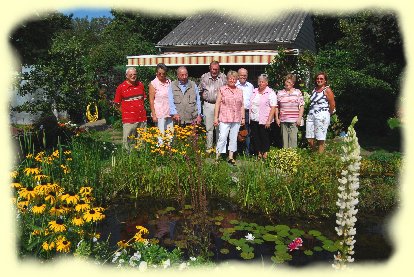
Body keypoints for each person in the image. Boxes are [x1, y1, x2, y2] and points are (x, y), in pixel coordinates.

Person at [214, 70, 245, 165]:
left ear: (236, 80)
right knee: (222, 137)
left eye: (234, 78)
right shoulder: (222, 89)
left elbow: (242, 105)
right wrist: (215, 117)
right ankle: (218, 157)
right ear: (227, 79)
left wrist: (243, 118)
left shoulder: (240, 91)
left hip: (236, 118)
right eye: (230, 78)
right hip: (224, 117)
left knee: (233, 138)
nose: (232, 80)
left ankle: (231, 157)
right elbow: (218, 103)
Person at [114, 67, 147, 151]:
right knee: (128, 143)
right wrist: (126, 113)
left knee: (141, 142)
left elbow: (143, 100)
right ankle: (127, 160)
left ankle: (141, 158)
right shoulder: (121, 87)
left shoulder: (140, 85)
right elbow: (117, 104)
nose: (133, 76)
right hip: (129, 120)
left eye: (135, 74)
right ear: (126, 76)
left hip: (142, 118)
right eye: (131, 75)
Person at [199, 61, 227, 151]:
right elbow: (200, 90)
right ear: (210, 68)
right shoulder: (204, 77)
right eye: (213, 69)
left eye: (217, 69)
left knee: (219, 128)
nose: (215, 71)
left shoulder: (223, 77)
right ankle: (209, 148)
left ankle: (219, 149)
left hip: (221, 105)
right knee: (209, 128)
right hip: (208, 104)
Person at [305, 72, 336, 153]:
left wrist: (328, 113)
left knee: (320, 137)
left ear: (325, 80)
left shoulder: (327, 90)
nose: (319, 80)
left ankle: (320, 157)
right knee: (309, 137)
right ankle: (314, 153)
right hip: (311, 115)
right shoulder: (314, 90)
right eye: (318, 78)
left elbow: (332, 104)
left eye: (321, 78)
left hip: (321, 115)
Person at [249, 74, 277, 160]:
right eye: (259, 82)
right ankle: (259, 153)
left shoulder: (270, 93)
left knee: (264, 137)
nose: (261, 83)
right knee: (256, 137)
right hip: (254, 118)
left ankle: (265, 153)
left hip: (264, 119)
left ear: (266, 83)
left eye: (263, 82)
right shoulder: (255, 91)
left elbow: (273, 107)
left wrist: (269, 120)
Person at [275, 74, 305, 148]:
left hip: (294, 120)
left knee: (293, 140)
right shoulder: (280, 93)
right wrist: (277, 118)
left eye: (289, 82)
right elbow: (276, 106)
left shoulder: (297, 92)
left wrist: (299, 118)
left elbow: (301, 106)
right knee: (284, 141)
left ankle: (293, 157)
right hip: (283, 120)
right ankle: (285, 157)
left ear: (293, 84)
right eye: (286, 81)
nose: (287, 83)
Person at [149, 63, 172, 145]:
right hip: (159, 112)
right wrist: (154, 115)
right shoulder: (153, 83)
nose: (162, 75)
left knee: (170, 134)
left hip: (169, 111)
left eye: (164, 73)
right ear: (156, 73)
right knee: (161, 134)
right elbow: (151, 100)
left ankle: (169, 152)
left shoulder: (169, 81)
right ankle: (161, 152)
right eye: (160, 73)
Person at [236, 68, 254, 155]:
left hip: (247, 112)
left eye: (245, 75)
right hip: (236, 112)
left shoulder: (250, 86)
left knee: (247, 132)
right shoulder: (234, 85)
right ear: (238, 76)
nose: (243, 77)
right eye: (241, 75)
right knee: (236, 131)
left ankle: (247, 152)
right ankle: (237, 151)